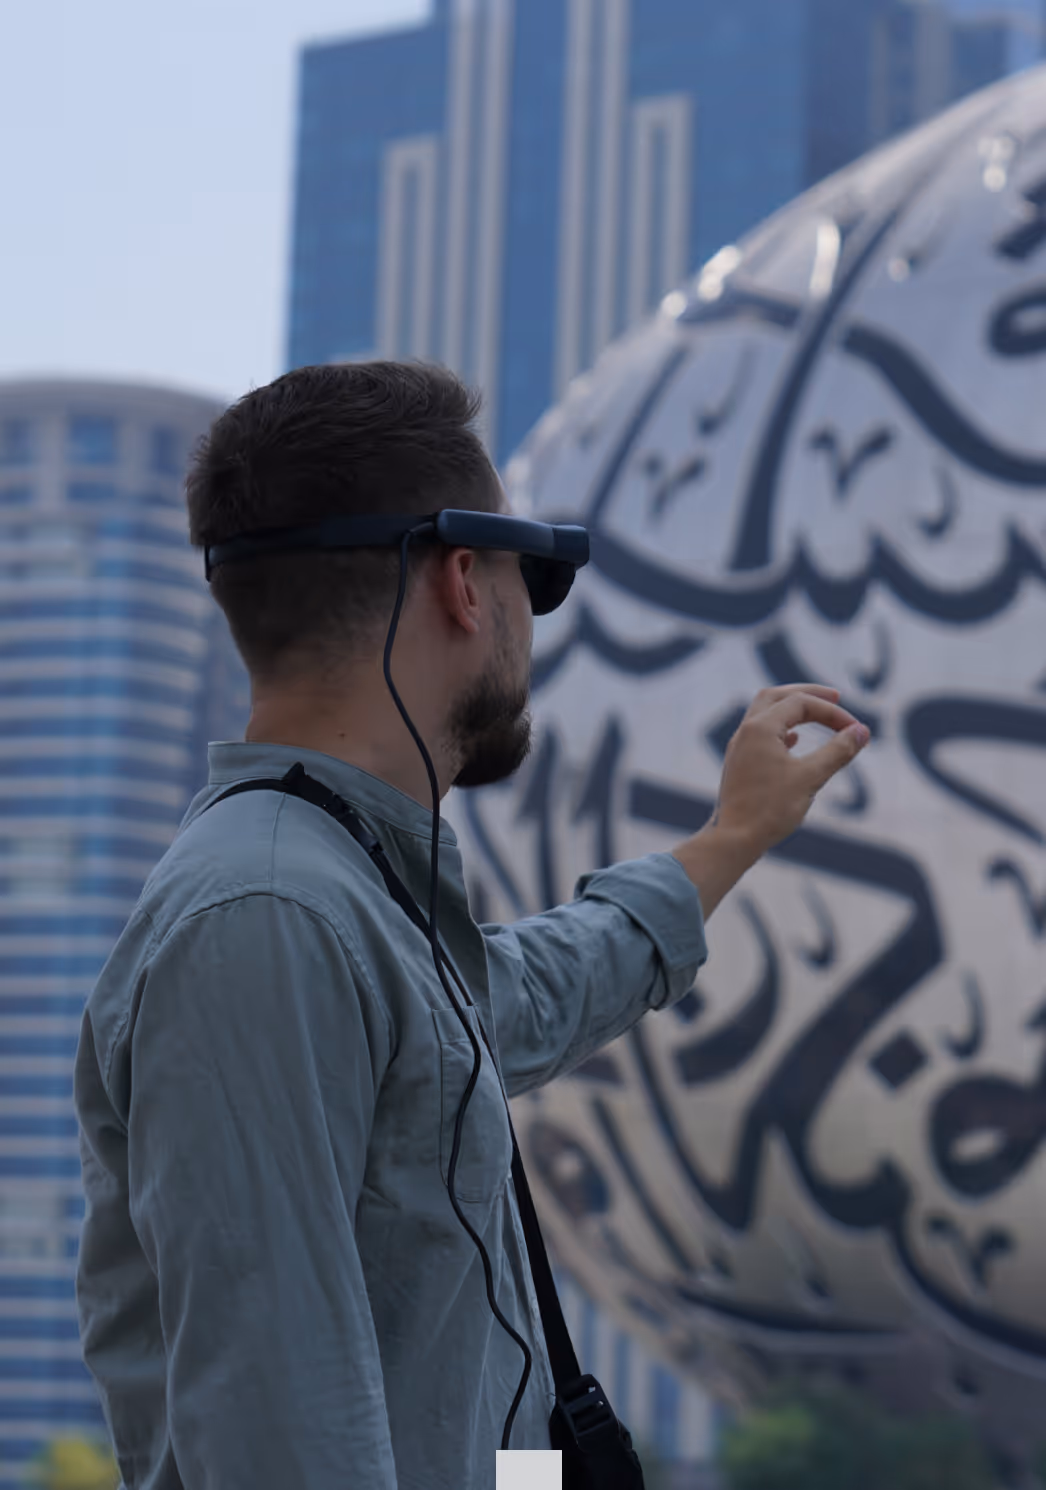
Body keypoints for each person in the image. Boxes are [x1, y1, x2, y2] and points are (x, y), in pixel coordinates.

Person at [73, 362, 870, 1490]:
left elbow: (518, 997)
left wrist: (729, 837)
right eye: (530, 579)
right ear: (461, 580)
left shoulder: (345, 898)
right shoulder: (265, 917)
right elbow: (283, 1438)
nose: (527, 627)